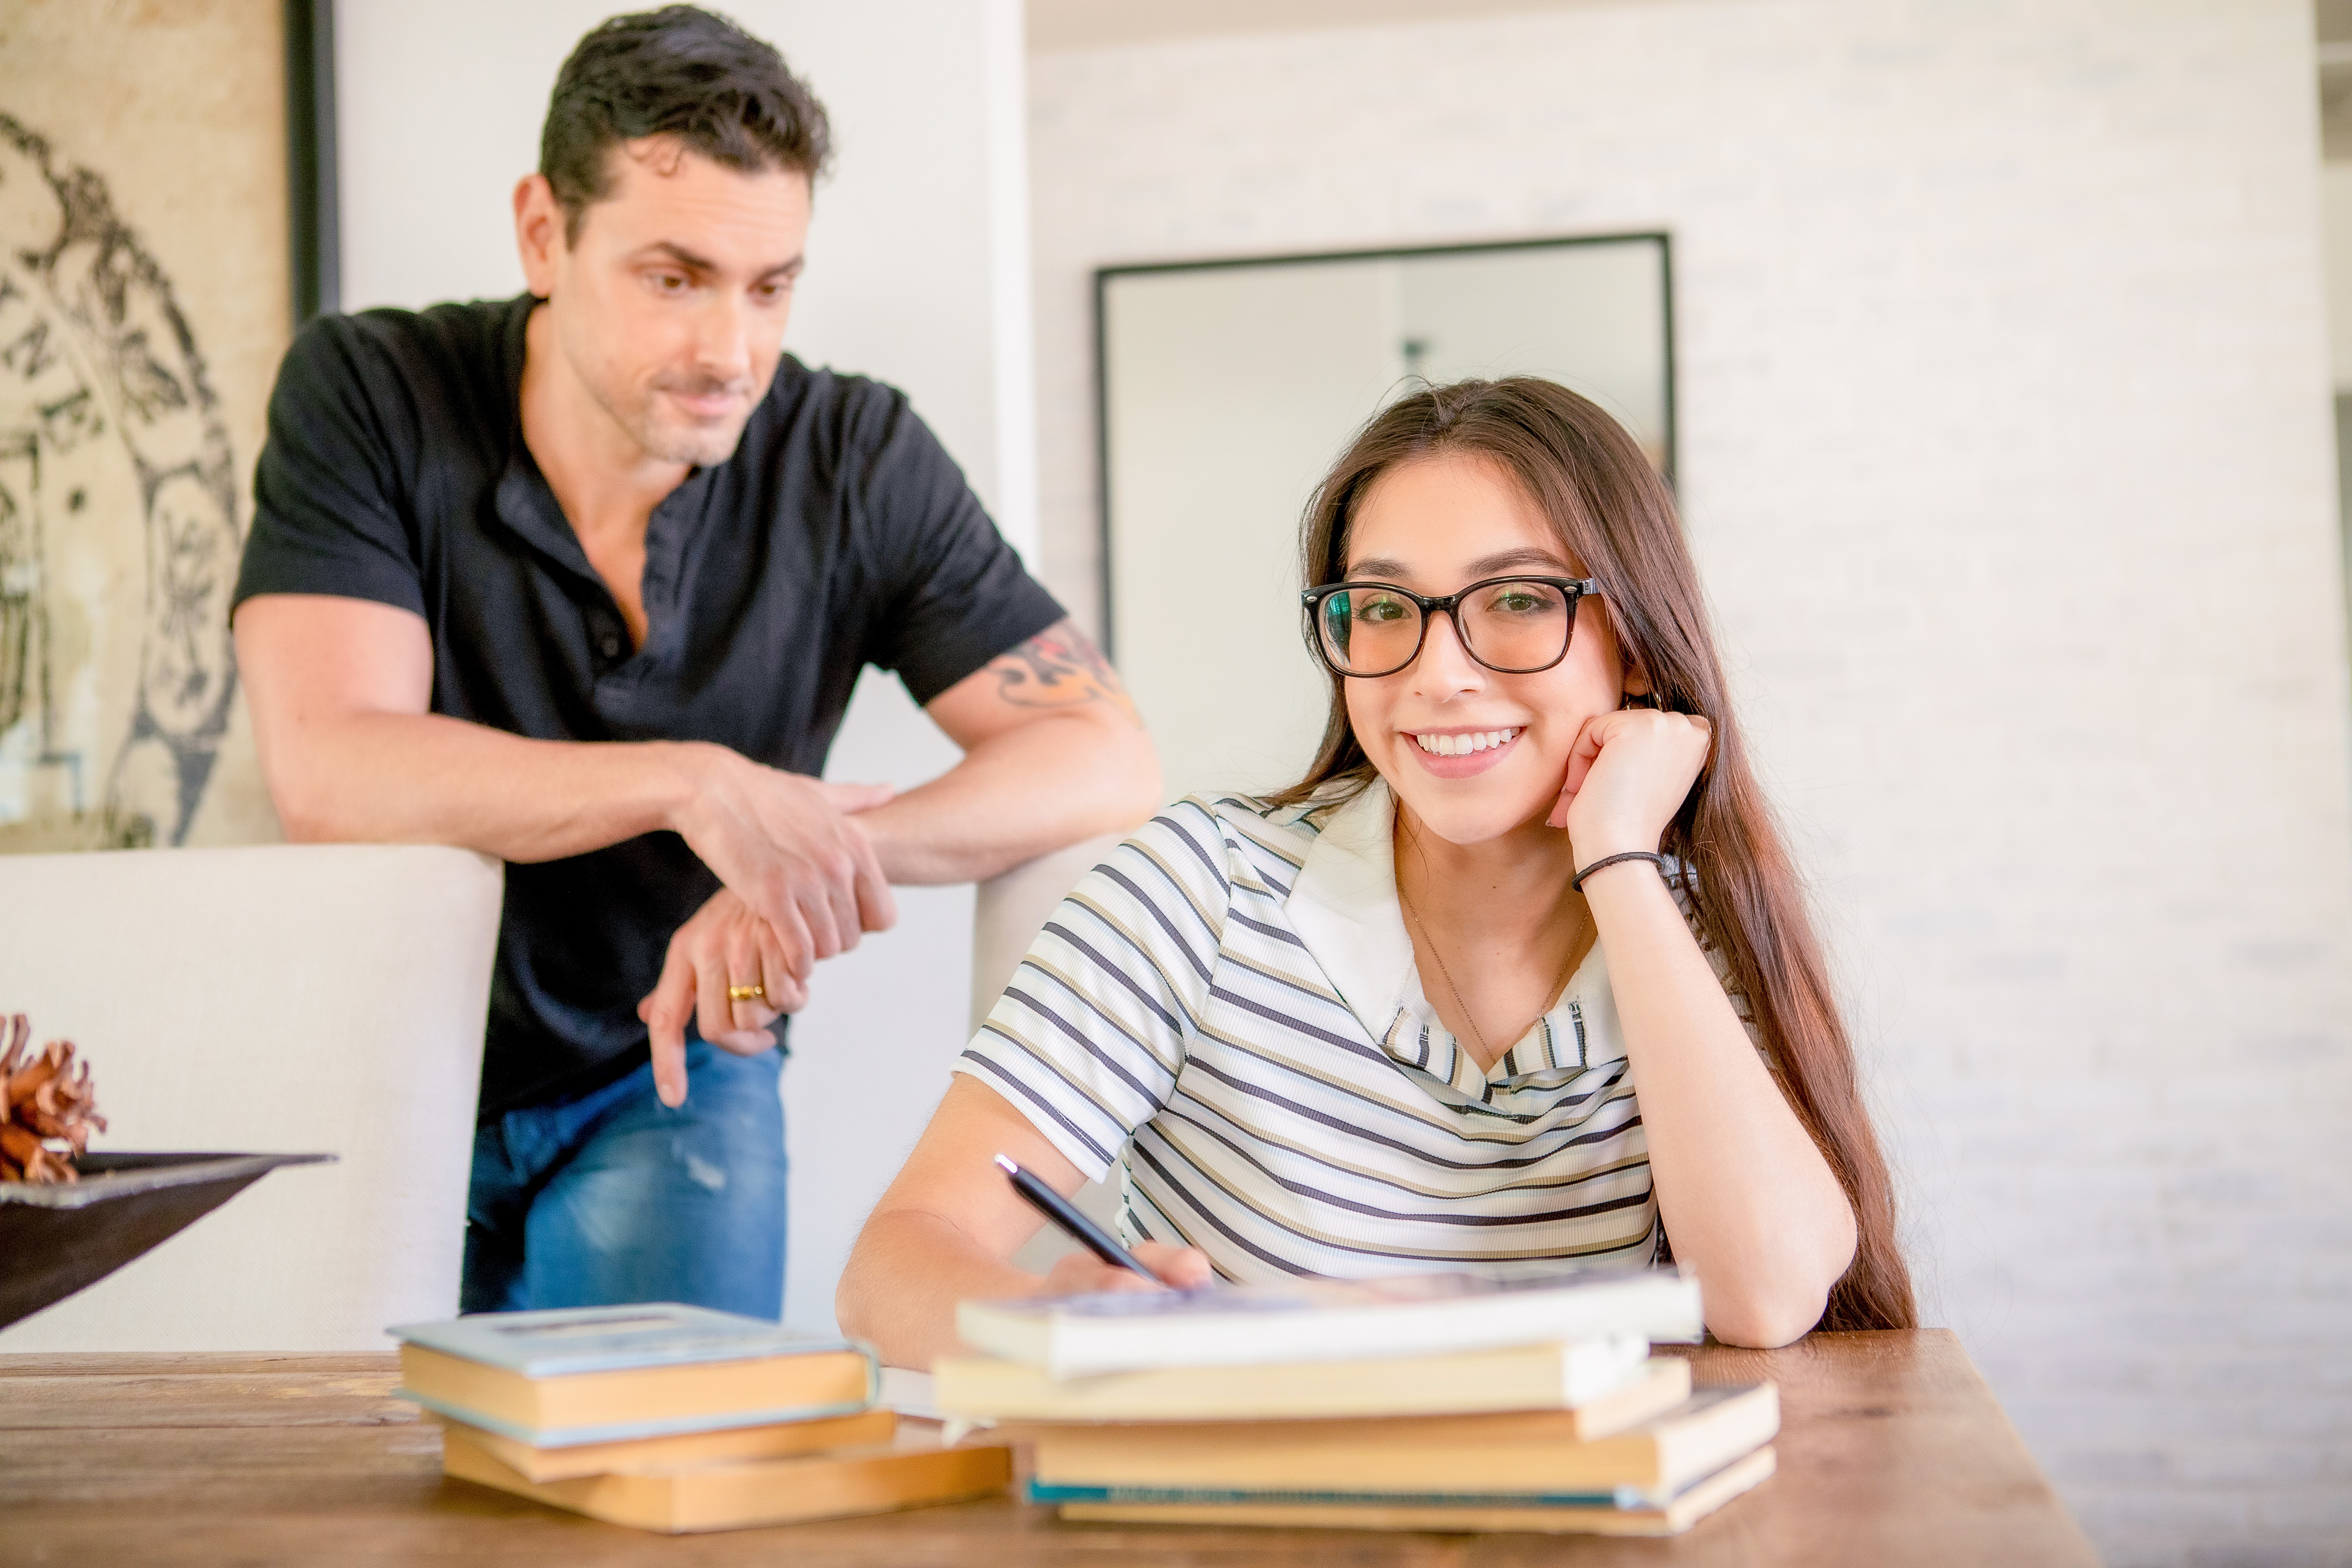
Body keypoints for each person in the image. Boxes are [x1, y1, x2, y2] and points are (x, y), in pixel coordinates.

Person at [229, 6, 1160, 1320]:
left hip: (675, 1066)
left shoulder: (856, 456)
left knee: (665, 1502)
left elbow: (1104, 750)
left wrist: (805, 851)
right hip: (388, 1060)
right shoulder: (373, 392)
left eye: (769, 286)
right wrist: (693, 784)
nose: (733, 352)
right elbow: (332, 764)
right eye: (675, 278)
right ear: (545, 234)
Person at [838, 377, 1916, 1360]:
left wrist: (1625, 863)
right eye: (1385, 610)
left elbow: (1768, 1298)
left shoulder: (1693, 935)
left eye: (1520, 601)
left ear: (1636, 642)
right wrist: (1057, 1325)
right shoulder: (1199, 892)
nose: (1436, 676)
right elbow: (895, 1263)